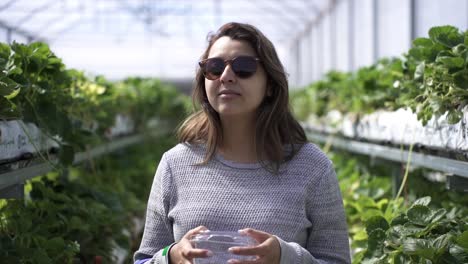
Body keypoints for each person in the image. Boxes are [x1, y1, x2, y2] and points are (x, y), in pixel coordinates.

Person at [134, 22, 350, 264]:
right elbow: (144, 260)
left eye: (244, 67)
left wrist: (284, 257)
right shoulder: (174, 164)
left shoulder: (312, 167)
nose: (226, 76)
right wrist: (171, 256)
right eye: (214, 67)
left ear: (270, 84)